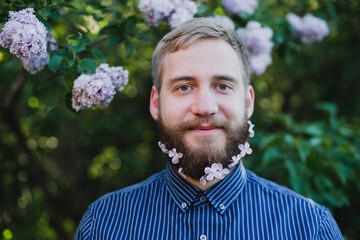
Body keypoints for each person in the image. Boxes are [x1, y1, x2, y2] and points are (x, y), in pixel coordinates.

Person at [74, 18, 343, 240]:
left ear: (248, 102)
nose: (205, 107)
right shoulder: (103, 224)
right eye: (184, 87)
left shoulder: (310, 227)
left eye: (223, 86)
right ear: (156, 103)